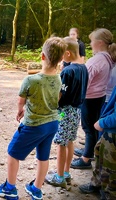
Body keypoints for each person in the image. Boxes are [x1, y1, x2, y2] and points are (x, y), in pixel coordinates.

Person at [0, 37, 67, 200]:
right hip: (52, 124)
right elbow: (57, 98)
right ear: (62, 59)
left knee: (12, 153)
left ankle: (10, 189)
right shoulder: (59, 78)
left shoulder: (31, 80)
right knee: (43, 157)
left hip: (33, 125)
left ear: (42, 56)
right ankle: (36, 189)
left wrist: (20, 111)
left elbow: (21, 101)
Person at [44, 37, 88, 188]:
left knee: (60, 143)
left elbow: (59, 95)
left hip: (64, 112)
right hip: (76, 111)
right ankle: (66, 173)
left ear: (67, 53)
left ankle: (59, 177)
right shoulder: (83, 68)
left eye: (62, 53)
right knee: (69, 141)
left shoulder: (68, 72)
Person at [71, 28, 116, 169]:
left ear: (100, 42)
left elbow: (85, 82)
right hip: (99, 96)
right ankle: (90, 151)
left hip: (90, 98)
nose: (90, 44)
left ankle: (86, 159)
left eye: (92, 41)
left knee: (88, 128)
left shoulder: (96, 60)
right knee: (93, 127)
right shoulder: (107, 58)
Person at [78, 86, 116, 200]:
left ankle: (109, 194)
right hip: (109, 130)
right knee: (99, 154)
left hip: (113, 131)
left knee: (111, 167)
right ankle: (97, 184)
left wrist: (102, 123)